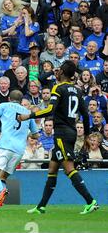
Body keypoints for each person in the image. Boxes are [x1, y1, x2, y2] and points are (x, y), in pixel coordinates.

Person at [18, 60, 99, 215]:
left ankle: (91, 201)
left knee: (69, 169)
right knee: (52, 169)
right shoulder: (77, 90)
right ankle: (41, 206)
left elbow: (50, 109)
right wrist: (87, 134)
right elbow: (85, 114)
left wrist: (28, 116)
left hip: (62, 133)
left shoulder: (58, 88)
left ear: (62, 72)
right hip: (71, 131)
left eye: (59, 69)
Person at [0, 90, 40, 210]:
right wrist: (27, 133)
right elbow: (36, 135)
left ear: (9, 98)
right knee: (3, 177)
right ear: (21, 101)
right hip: (19, 150)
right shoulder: (27, 113)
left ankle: (2, 190)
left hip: (5, 146)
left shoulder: (4, 106)